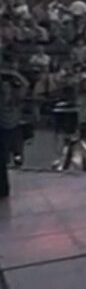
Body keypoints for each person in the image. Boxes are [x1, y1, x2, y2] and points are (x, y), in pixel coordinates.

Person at [0, 70, 29, 198]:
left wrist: (13, 73)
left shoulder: (16, 98)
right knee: (2, 160)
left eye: (7, 86)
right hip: (2, 130)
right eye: (3, 86)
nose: (5, 88)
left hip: (12, 129)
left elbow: (25, 84)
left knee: (14, 155)